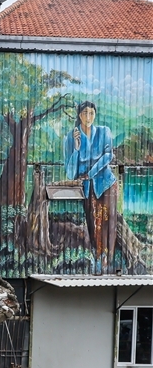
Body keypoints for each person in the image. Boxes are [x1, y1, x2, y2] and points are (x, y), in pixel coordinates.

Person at [64, 101, 118, 273]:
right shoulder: (71, 137)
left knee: (108, 222)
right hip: (87, 188)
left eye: (91, 113)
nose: (88, 117)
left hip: (106, 183)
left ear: (95, 115)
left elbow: (108, 155)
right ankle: (97, 258)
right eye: (85, 113)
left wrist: (91, 173)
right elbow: (70, 173)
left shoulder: (104, 131)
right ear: (79, 115)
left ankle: (109, 260)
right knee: (92, 223)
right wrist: (76, 149)